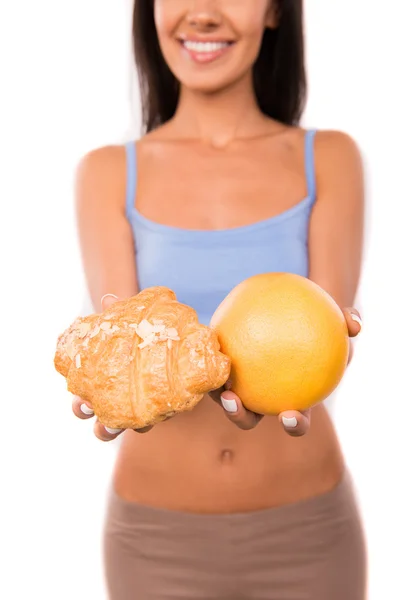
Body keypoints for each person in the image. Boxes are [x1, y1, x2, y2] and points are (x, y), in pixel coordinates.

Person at [72, 0, 366, 598]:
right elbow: (121, 334)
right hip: (154, 539)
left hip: (308, 531)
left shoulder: (329, 159)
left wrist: (337, 345)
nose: (201, 12)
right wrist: (104, 382)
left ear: (277, 12)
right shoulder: (107, 173)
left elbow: (326, 336)